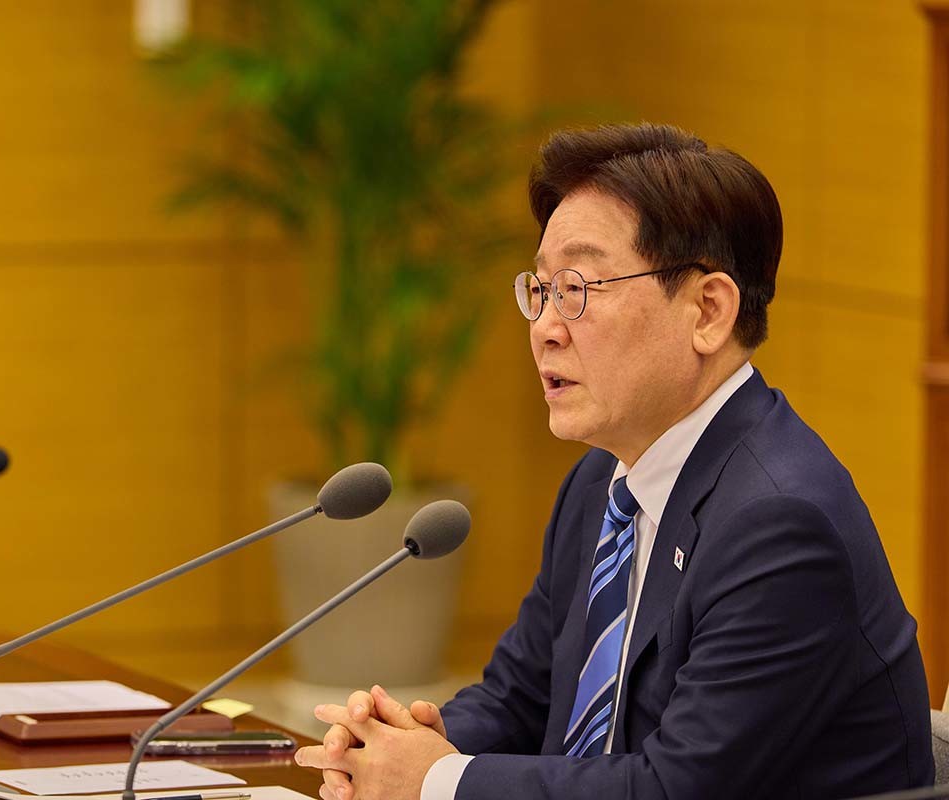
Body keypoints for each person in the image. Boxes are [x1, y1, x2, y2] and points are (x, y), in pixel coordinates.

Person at [293, 123, 935, 800]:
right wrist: (402, 742)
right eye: (541, 290)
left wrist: (436, 779)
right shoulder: (602, 482)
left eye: (578, 287)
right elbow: (521, 698)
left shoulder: (780, 524)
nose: (546, 327)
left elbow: (676, 788)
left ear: (708, 312)